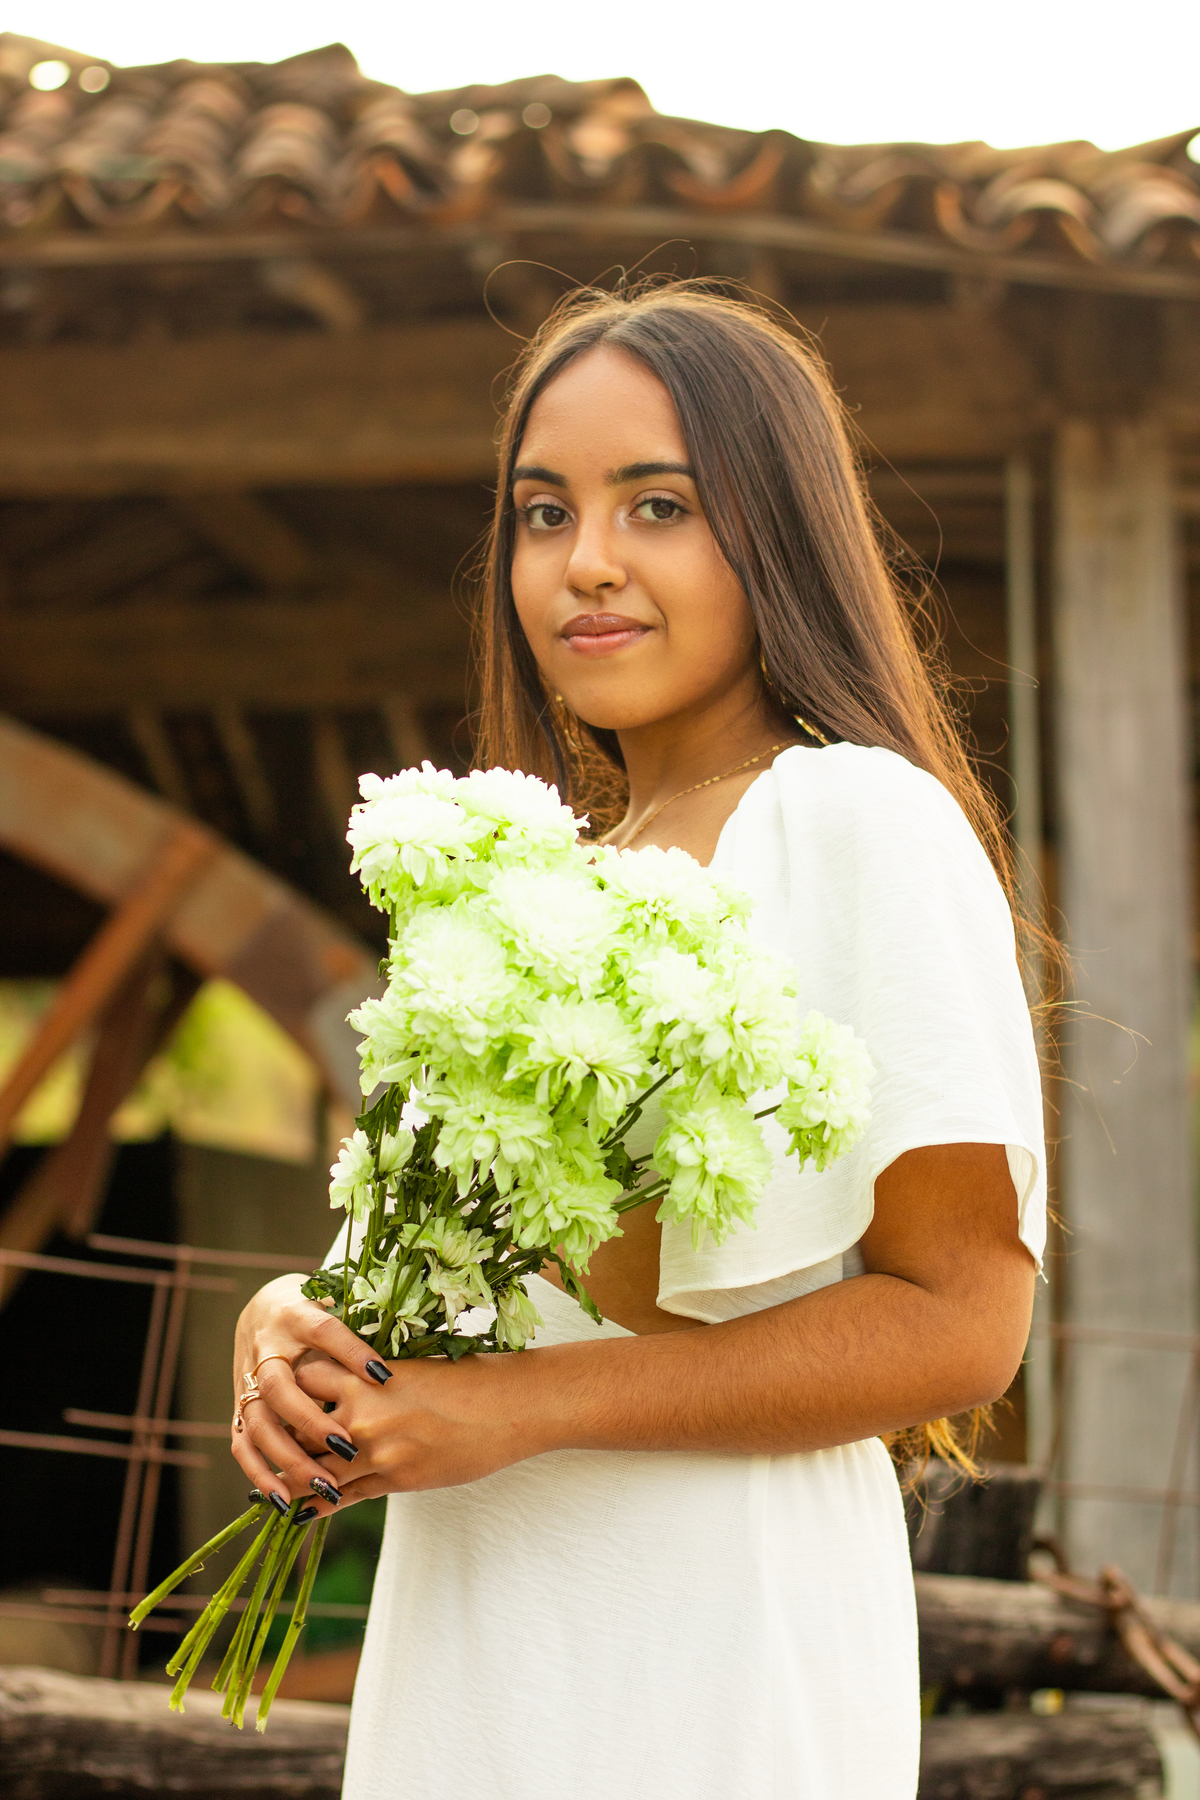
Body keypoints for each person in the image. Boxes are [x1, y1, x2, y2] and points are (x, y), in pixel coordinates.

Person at [230, 283, 1044, 1799]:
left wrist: (515, 1414)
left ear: (774, 531)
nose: (585, 563)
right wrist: (293, 1324)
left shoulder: (854, 817)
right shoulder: (535, 880)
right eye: (545, 514)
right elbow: (484, 1292)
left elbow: (962, 1318)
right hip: (478, 1616)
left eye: (656, 504)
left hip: (713, 1631)